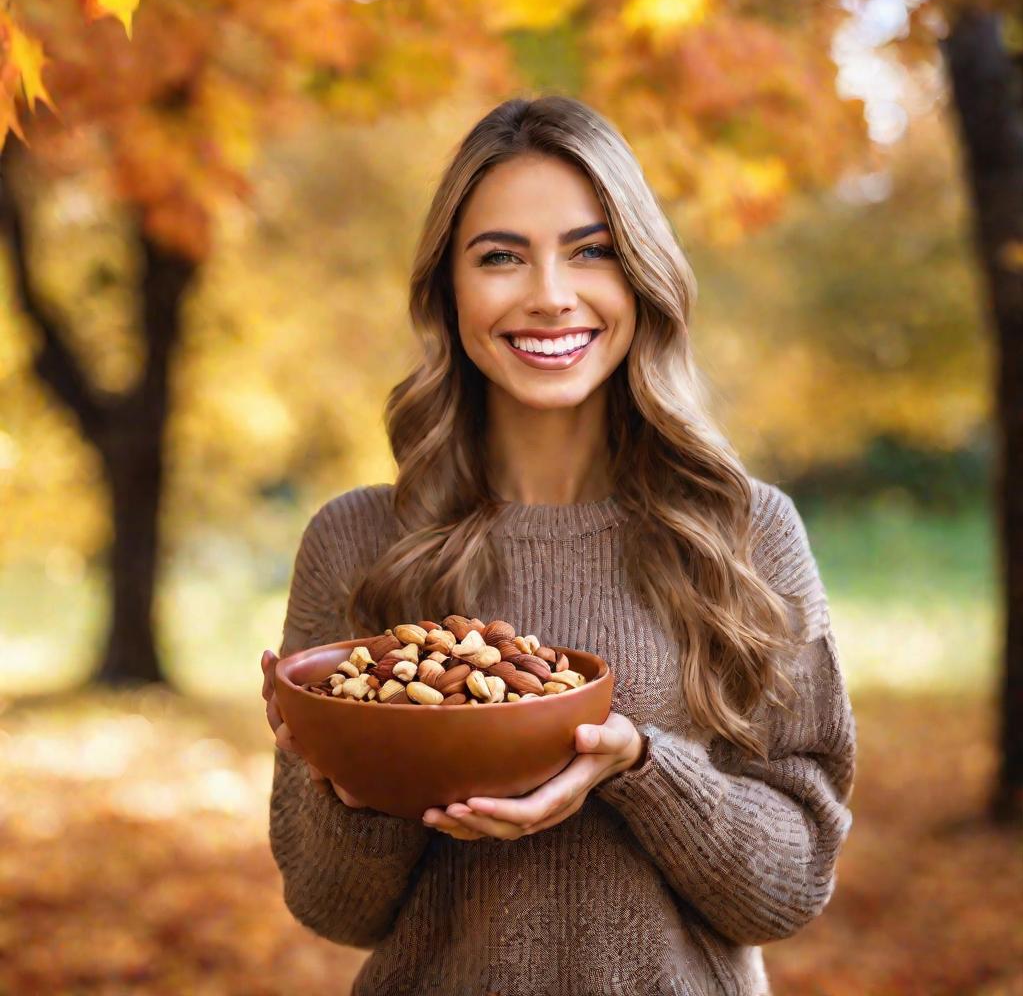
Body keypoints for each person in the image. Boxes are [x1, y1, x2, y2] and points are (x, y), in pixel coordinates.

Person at [260, 94, 856, 996]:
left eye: (592, 251)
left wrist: (639, 766)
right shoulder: (359, 540)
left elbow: (792, 887)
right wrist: (349, 776)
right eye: (500, 257)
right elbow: (332, 909)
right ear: (447, 289)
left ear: (642, 276)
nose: (549, 294)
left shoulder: (743, 532)